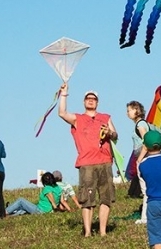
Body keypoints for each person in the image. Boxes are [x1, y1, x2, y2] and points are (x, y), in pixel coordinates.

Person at [58, 84, 118, 237]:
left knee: (106, 197)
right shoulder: (78, 119)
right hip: (87, 163)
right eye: (88, 99)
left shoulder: (105, 117)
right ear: (84, 102)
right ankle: (88, 232)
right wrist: (64, 94)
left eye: (94, 99)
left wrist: (109, 132)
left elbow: (116, 135)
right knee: (87, 198)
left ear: (97, 102)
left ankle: (103, 231)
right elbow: (62, 113)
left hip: (105, 160)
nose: (91, 101)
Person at [126, 100, 150, 224]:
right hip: (145, 157)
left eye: (129, 110)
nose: (127, 113)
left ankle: (145, 217)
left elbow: (146, 141)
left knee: (145, 189)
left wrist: (139, 159)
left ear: (136, 110)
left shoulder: (140, 125)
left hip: (144, 158)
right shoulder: (142, 124)